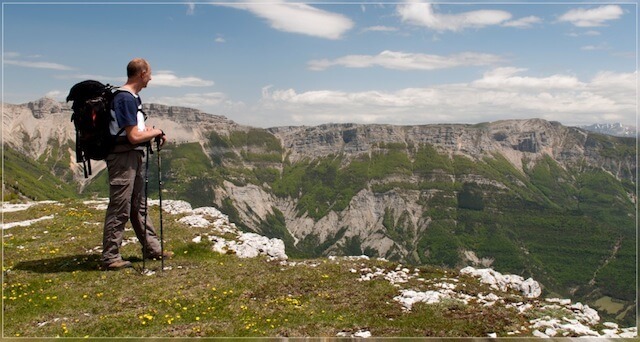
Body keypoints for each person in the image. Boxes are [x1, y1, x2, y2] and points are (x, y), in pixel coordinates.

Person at [101, 58, 172, 270]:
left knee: (138, 205)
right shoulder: (125, 98)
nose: (151, 77)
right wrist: (156, 132)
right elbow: (132, 136)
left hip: (132, 155)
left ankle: (152, 248)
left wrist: (151, 132)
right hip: (124, 157)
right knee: (120, 206)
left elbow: (135, 131)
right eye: (149, 73)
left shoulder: (133, 98)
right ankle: (110, 257)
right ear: (141, 73)